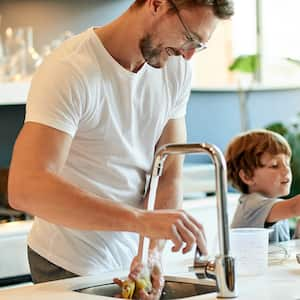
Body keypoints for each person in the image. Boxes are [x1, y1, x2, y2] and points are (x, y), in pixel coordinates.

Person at [8, 0, 234, 297]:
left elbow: (169, 173)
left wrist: (151, 252)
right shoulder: (71, 69)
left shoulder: (175, 69)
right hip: (68, 258)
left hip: (129, 254)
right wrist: (141, 222)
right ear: (157, 4)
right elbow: (27, 188)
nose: (188, 54)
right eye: (189, 37)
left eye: (199, 45)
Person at [225, 129, 300, 243]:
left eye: (287, 163)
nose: (286, 170)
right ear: (247, 176)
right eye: (274, 165)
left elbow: (282, 251)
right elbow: (295, 207)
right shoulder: (252, 205)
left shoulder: (275, 208)